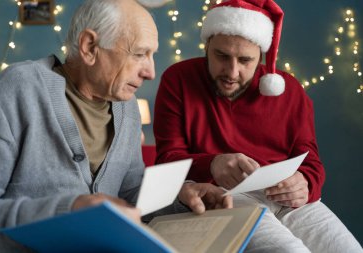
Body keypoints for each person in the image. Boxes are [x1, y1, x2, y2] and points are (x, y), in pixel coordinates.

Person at [0, 0, 232, 252]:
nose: (151, 72)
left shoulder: (128, 107)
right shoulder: (19, 89)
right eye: (139, 54)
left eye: (152, 55)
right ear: (90, 47)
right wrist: (69, 212)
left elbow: (131, 190)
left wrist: (180, 195)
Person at [154, 0, 363, 252]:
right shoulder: (178, 80)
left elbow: (311, 161)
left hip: (288, 199)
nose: (232, 72)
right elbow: (167, 161)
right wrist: (211, 163)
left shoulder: (290, 90)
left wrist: (305, 182)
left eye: (245, 60)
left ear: (261, 57)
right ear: (207, 45)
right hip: (225, 196)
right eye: (222, 56)